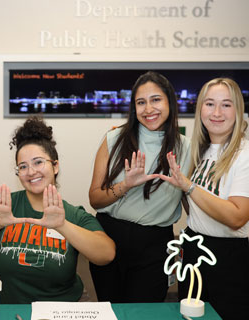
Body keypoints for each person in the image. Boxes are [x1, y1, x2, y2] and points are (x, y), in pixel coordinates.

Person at [0, 116, 115, 304]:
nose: (31, 172)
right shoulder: (1, 206)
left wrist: (62, 225)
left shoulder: (73, 214)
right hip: (9, 310)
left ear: (55, 165)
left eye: (38, 162)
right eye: (23, 167)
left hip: (61, 310)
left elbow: (106, 254)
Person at [88, 71, 191, 303]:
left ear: (170, 102)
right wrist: (126, 185)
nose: (148, 109)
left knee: (146, 313)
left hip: (155, 244)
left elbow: (191, 201)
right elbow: (94, 198)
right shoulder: (113, 139)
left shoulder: (187, 148)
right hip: (109, 238)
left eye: (156, 100)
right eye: (140, 102)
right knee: (111, 311)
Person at [159, 78, 249, 320]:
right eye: (210, 104)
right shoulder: (202, 151)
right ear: (200, 109)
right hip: (194, 250)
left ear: (238, 110)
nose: (217, 112)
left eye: (226, 105)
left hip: (229, 258)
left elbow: (237, 217)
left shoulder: (245, 154)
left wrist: (188, 187)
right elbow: (198, 207)